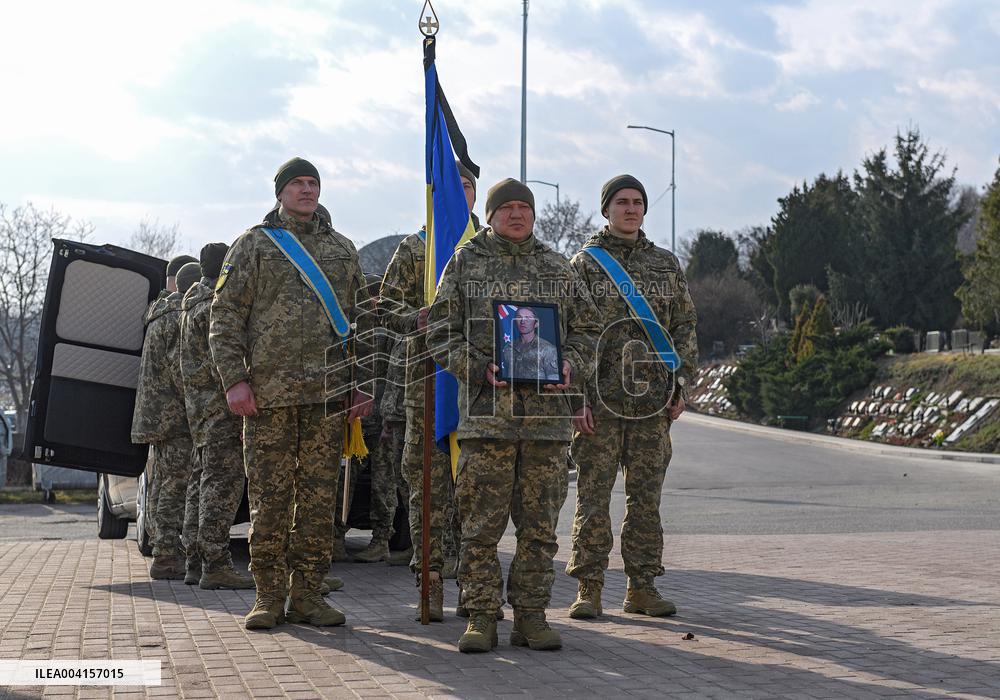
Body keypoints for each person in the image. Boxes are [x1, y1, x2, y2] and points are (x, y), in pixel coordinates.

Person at [426, 178, 599, 653]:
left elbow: (588, 330)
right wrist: (477, 367)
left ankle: (531, 616)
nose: (517, 215)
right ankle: (482, 617)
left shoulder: (558, 267)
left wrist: (571, 363)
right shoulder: (466, 262)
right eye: (508, 208)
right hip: (488, 421)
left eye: (525, 207)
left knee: (539, 529)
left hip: (546, 425)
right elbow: (439, 330)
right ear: (491, 215)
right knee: (479, 529)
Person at [210, 157, 373, 630]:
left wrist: (361, 383)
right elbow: (225, 317)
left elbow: (363, 322)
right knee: (269, 500)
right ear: (280, 192)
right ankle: (268, 596)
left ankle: (308, 595)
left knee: (319, 502)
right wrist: (234, 380)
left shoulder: (342, 249)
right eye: (298, 183)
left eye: (313, 183)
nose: (307, 190)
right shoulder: (254, 246)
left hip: (327, 397)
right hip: (269, 397)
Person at [565, 174, 698, 620]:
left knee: (646, 501)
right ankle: (589, 588)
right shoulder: (584, 265)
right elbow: (570, 335)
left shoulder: (665, 264)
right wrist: (576, 399)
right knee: (593, 498)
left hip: (651, 404)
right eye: (621, 202)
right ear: (606, 209)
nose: (631, 209)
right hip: (600, 403)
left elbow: (684, 326)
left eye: (637, 202)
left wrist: (680, 384)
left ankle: (642, 587)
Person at [379, 160, 479, 621]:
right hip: (426, 382)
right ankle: (430, 577)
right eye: (452, 186)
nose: (460, 193)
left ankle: (474, 582)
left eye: (467, 186)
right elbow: (385, 307)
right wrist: (412, 317)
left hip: (479, 387)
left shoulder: (490, 249)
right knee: (427, 484)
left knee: (477, 486)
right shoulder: (415, 248)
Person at [179, 243, 254, 590]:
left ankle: (195, 561)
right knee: (222, 486)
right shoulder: (213, 307)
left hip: (199, 410)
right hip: (220, 410)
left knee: (200, 484)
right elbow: (222, 361)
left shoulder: (190, 303)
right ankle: (215, 563)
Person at [132, 259, 200, 580]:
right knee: (176, 483)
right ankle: (166, 556)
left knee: (162, 481)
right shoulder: (176, 317)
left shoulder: (158, 313)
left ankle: (162, 545)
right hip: (175, 416)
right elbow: (182, 370)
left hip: (157, 416)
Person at [500, 307, 561, 382]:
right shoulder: (508, 348)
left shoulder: (548, 349)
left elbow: (554, 380)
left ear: (536, 324)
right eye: (519, 317)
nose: (522, 321)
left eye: (528, 318)